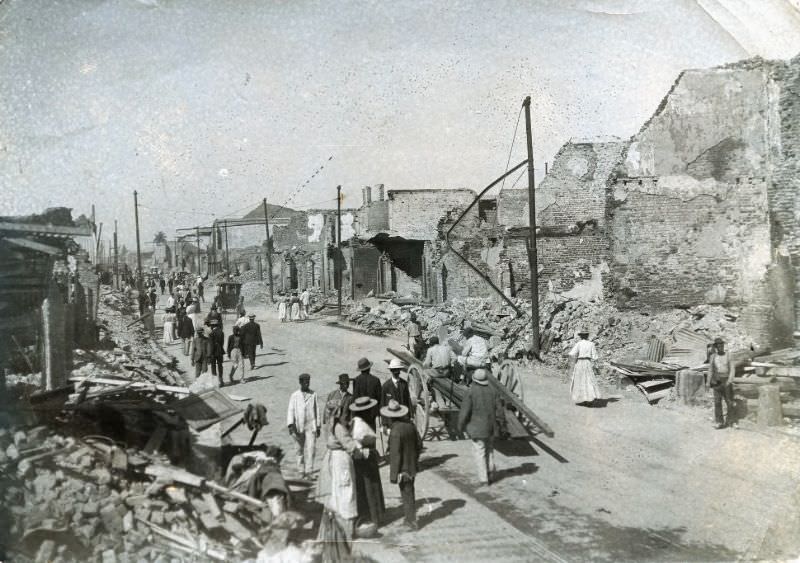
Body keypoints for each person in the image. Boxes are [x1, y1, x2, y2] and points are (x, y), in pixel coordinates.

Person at [316, 396, 369, 549]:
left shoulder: (330, 424)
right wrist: (362, 453)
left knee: (335, 495)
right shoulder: (338, 426)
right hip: (341, 460)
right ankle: (346, 532)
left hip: (332, 459)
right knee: (346, 494)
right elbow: (349, 445)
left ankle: (332, 531)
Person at [457, 368, 504, 486]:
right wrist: (501, 425)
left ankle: (484, 479)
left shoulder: (471, 391)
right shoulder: (493, 391)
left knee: (480, 452)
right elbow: (500, 410)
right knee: (490, 450)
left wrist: (460, 426)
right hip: (491, 427)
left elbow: (465, 412)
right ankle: (491, 473)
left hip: (477, 428)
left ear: (474, 379)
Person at [383, 399, 421, 530]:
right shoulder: (410, 426)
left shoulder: (395, 432)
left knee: (406, 494)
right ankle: (410, 519)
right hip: (412, 466)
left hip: (402, 469)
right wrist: (414, 459)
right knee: (410, 491)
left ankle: (410, 521)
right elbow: (419, 445)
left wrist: (394, 474)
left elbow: (395, 455)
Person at [349, 396, 385, 531]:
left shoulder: (355, 421)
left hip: (362, 459)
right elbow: (359, 443)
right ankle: (374, 516)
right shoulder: (360, 426)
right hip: (365, 459)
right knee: (370, 487)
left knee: (365, 488)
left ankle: (370, 515)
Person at [286, 373, 321, 479]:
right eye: (305, 382)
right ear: (300, 383)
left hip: (310, 426)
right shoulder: (295, 395)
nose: (307, 384)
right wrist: (291, 425)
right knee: (299, 449)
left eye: (308, 382)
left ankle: (309, 471)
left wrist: (318, 426)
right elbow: (290, 410)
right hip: (298, 427)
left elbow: (317, 410)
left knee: (311, 449)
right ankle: (301, 471)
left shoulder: (313, 394)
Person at [567, 328, 602, 406]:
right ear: (587, 336)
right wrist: (596, 365)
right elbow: (595, 357)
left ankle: (584, 398)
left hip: (580, 362)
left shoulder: (579, 343)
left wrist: (575, 359)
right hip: (588, 363)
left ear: (581, 336)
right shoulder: (591, 344)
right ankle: (590, 398)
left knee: (580, 380)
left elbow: (571, 353)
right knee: (589, 379)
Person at [708, 337, 737, 429]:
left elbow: (732, 368)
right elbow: (710, 370)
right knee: (717, 402)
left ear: (723, 346)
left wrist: (730, 380)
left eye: (722, 345)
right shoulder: (713, 356)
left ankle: (731, 421)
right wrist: (708, 382)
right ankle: (719, 422)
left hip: (726, 380)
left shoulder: (728, 355)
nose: (721, 347)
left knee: (729, 401)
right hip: (716, 381)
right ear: (716, 347)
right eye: (719, 346)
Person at [352, 358, 382, 430]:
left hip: (360, 413)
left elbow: (355, 397)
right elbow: (379, 398)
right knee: (371, 434)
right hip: (372, 413)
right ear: (369, 368)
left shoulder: (356, 380)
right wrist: (378, 413)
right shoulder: (376, 380)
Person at [381, 359, 413, 424]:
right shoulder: (386, 386)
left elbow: (408, 401)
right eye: (394, 370)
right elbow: (383, 404)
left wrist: (411, 416)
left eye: (397, 370)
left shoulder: (404, 384)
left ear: (400, 370)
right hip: (391, 419)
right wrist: (384, 423)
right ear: (391, 371)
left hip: (403, 418)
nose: (396, 372)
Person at [208, 319, 225, 386]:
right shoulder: (221, 332)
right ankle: (221, 380)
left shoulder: (211, 333)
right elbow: (222, 342)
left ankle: (215, 382)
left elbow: (211, 345)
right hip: (220, 350)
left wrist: (210, 354)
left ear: (212, 326)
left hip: (213, 352)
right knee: (220, 366)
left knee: (213, 366)